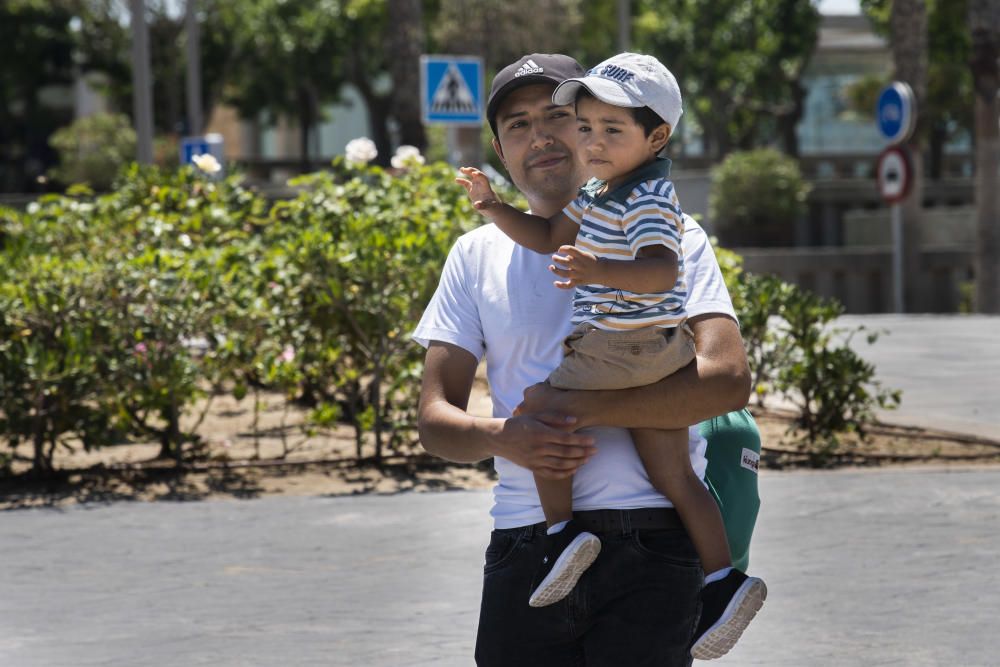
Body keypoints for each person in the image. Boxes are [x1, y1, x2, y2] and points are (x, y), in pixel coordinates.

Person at [414, 53, 759, 666]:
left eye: (558, 115)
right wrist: (509, 437)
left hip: (654, 540)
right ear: (498, 149)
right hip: (529, 545)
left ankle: (722, 583)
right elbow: (435, 423)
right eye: (517, 124)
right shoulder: (474, 257)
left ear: (592, 124)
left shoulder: (670, 231)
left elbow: (727, 381)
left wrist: (579, 410)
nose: (541, 135)